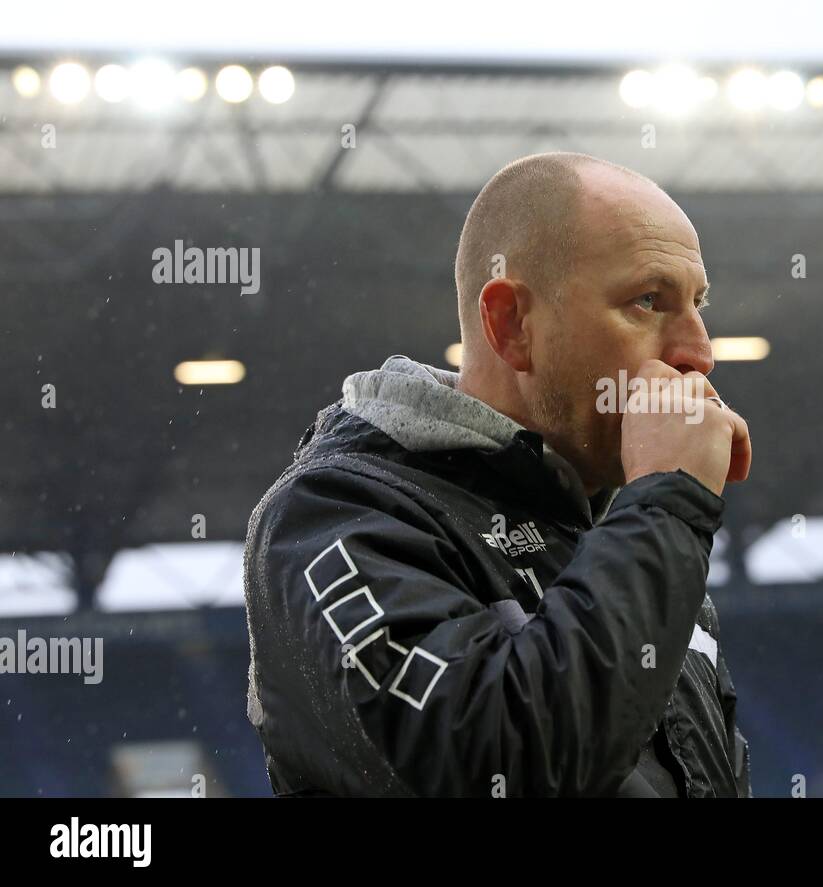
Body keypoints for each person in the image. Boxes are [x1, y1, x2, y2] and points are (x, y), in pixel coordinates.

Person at [243, 151, 753, 797]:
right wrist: (667, 505)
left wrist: (657, 516)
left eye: (698, 304)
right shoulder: (334, 514)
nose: (699, 353)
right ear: (512, 325)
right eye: (648, 301)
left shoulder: (629, 531)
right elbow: (498, 765)